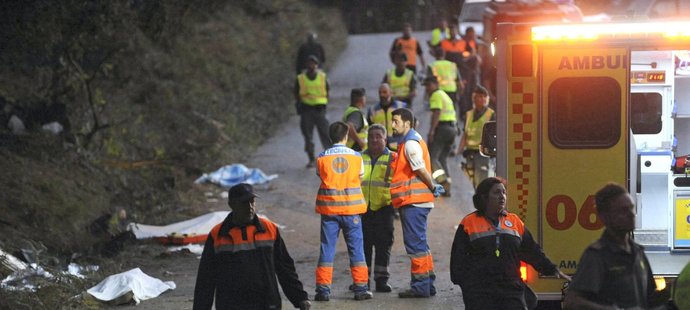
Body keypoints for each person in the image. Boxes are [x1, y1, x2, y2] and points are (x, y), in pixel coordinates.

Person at [450, 177, 570, 310]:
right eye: (496, 192)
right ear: (484, 197)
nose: (502, 196)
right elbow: (458, 261)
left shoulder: (514, 221)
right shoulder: (469, 223)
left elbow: (531, 250)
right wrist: (469, 287)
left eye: (504, 192)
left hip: (511, 292)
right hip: (481, 295)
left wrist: (551, 269)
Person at [193, 183, 311, 310]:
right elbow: (206, 279)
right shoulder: (218, 235)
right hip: (231, 305)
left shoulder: (269, 229)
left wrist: (300, 297)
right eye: (244, 203)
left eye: (252, 201)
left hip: (266, 303)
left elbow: (285, 268)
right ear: (232, 205)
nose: (250, 207)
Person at [563, 183, 671, 310]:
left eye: (632, 208)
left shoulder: (638, 252)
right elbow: (571, 302)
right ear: (604, 216)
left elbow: (649, 299)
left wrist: (673, 289)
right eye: (623, 210)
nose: (631, 214)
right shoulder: (597, 256)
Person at [314, 121, 374, 302]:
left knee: (327, 249)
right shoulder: (356, 157)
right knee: (356, 249)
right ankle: (361, 288)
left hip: (329, 211)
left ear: (330, 137)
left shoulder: (322, 157)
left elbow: (321, 175)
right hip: (351, 210)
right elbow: (361, 177)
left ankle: (323, 290)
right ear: (346, 136)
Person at [389, 108, 445, 298]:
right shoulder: (409, 141)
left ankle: (420, 287)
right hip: (416, 201)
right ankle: (428, 283)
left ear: (407, 123)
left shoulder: (411, 143)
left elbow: (419, 168)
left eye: (396, 121)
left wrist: (432, 186)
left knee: (415, 246)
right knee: (421, 244)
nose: (393, 125)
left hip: (413, 201)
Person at [359, 124, 397, 293]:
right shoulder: (358, 158)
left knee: (384, 245)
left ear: (385, 139)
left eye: (378, 136)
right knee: (363, 246)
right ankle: (362, 281)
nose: (374, 139)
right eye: (371, 136)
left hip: (384, 208)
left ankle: (381, 280)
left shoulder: (393, 158)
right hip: (362, 209)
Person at [294, 55, 330, 168]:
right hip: (306, 110)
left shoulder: (323, 77)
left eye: (313, 63)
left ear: (317, 65)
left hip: (320, 110)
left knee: (326, 135)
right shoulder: (300, 78)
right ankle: (311, 158)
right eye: (309, 63)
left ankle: (329, 158)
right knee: (308, 136)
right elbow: (296, 92)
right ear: (306, 65)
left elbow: (327, 90)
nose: (311, 66)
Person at [423, 75, 457, 197]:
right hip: (452, 129)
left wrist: (431, 131)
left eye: (428, 85)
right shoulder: (444, 94)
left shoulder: (436, 95)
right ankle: (447, 187)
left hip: (442, 129)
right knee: (442, 158)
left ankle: (443, 182)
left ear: (435, 84)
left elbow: (436, 113)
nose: (427, 88)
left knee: (432, 158)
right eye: (425, 86)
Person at [458, 85, 495, 188]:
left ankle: (482, 200)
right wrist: (459, 150)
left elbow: (494, 135)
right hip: (469, 152)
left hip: (483, 153)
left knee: (481, 179)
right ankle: (480, 197)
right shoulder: (468, 114)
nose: (483, 99)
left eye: (485, 96)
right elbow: (465, 133)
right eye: (479, 96)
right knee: (473, 179)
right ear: (474, 98)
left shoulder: (491, 114)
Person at [427, 47, 463, 124]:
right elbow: (460, 84)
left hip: (438, 92)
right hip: (452, 92)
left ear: (435, 55)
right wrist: (459, 95)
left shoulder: (432, 65)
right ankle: (453, 126)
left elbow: (429, 83)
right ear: (444, 55)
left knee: (438, 112)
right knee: (451, 111)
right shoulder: (453, 65)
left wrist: (429, 96)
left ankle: (438, 127)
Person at [367, 83, 406, 151]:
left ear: (391, 93)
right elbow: (369, 130)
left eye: (384, 92)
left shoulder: (401, 107)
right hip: (380, 147)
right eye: (380, 92)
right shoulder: (372, 110)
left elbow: (413, 124)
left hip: (398, 146)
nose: (382, 95)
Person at [343, 88, 368, 152]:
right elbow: (349, 126)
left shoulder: (349, 110)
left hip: (350, 149)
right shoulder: (356, 113)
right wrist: (359, 141)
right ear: (362, 99)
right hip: (356, 149)